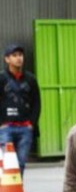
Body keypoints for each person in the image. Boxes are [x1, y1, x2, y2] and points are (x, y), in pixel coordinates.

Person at [0, 43, 40, 183]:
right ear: (7, 59)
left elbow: (37, 103)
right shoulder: (2, 79)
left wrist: (31, 123)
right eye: (14, 55)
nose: (19, 58)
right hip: (6, 127)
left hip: (25, 127)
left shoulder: (30, 79)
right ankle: (6, 189)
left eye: (20, 55)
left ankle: (18, 190)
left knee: (21, 162)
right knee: (7, 160)